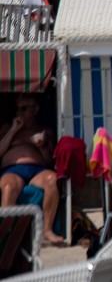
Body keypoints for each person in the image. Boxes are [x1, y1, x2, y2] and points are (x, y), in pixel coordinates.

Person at [0, 95, 62, 244]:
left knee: (53, 180)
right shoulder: (7, 128)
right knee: (9, 187)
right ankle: (7, 232)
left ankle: (47, 230)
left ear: (35, 109)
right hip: (12, 169)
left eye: (24, 109)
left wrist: (41, 146)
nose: (19, 113)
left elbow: (48, 160)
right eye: (17, 109)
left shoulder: (45, 131)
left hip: (37, 170)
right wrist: (14, 130)